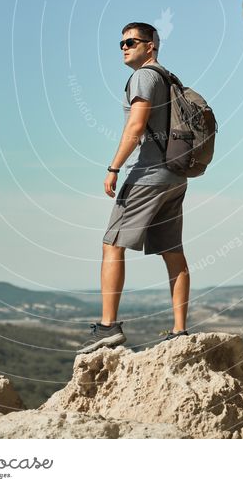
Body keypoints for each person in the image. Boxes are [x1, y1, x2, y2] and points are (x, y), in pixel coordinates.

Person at [76, 22, 190, 355]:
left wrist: (113, 167)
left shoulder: (144, 76)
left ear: (151, 45)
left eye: (132, 41)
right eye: (121, 42)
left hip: (148, 175)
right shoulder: (170, 78)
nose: (125, 47)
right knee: (173, 251)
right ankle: (180, 330)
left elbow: (136, 125)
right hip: (175, 176)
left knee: (112, 243)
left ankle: (108, 327)